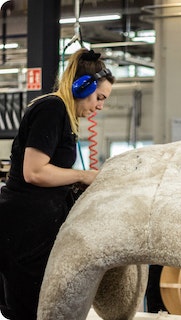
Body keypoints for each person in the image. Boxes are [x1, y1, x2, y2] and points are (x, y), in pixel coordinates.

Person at [0, 48, 115, 320]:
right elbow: (35, 172)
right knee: (29, 310)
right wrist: (81, 176)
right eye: (99, 98)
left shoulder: (65, 115)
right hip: (24, 229)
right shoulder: (52, 108)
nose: (100, 106)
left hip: (38, 226)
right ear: (81, 86)